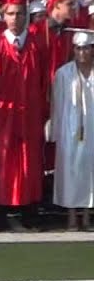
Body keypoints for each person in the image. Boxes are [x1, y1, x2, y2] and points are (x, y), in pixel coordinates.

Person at [0, 0, 47, 232]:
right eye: (10, 14)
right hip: (2, 114)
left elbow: (44, 81)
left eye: (19, 14)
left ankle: (29, 213)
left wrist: (43, 112)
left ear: (26, 16)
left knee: (30, 161)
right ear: (3, 16)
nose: (15, 18)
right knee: (2, 161)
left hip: (30, 113)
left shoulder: (37, 44)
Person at [51, 28, 94, 229]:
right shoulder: (64, 73)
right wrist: (56, 131)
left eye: (86, 48)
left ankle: (86, 215)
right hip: (69, 128)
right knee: (70, 171)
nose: (82, 53)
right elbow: (57, 104)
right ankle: (71, 216)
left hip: (92, 128)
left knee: (89, 171)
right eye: (78, 48)